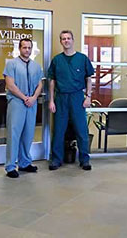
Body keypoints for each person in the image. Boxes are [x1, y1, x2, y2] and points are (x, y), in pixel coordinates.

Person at [48, 30, 94, 171]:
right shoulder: (56, 60)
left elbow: (89, 79)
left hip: (77, 97)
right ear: (60, 41)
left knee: (81, 130)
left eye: (68, 38)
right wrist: (51, 100)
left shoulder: (82, 58)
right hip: (61, 97)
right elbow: (52, 81)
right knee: (59, 130)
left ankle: (84, 160)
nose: (66, 41)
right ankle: (56, 160)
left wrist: (88, 97)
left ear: (73, 40)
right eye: (63, 39)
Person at [3, 38, 43, 178]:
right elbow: (10, 85)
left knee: (28, 134)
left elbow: (40, 84)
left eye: (29, 47)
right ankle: (10, 166)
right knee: (14, 134)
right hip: (17, 102)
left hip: (31, 103)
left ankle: (25, 163)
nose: (27, 50)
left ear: (31, 49)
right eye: (24, 47)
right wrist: (24, 98)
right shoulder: (12, 64)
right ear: (19, 49)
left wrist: (33, 98)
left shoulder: (36, 66)